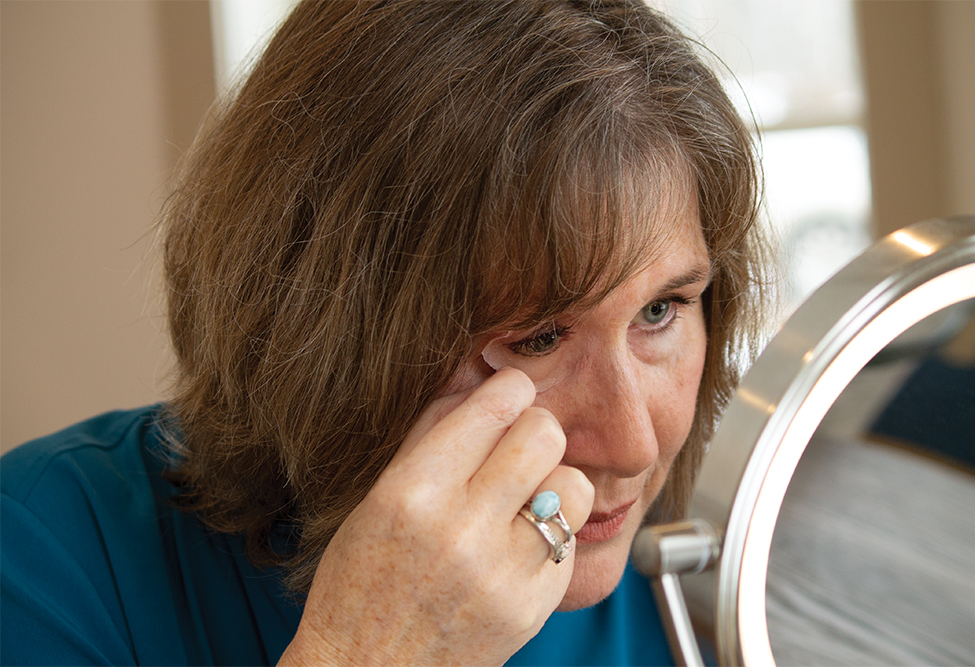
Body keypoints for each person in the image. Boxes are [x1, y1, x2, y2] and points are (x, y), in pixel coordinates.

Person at [1, 0, 768, 664]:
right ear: (323, 329)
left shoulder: (742, 564)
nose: (633, 443)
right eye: (537, 336)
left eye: (660, 312)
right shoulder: (41, 556)